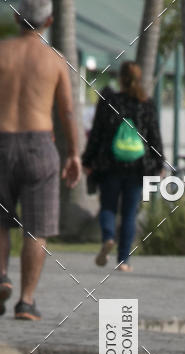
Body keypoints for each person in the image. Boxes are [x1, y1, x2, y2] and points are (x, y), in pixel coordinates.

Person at [0, 0, 81, 321]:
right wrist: (74, 153)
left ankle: (2, 276)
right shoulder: (55, 60)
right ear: (48, 21)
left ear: (18, 17)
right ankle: (26, 302)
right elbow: (68, 112)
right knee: (36, 229)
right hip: (39, 145)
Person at [82, 61, 163, 273]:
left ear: (120, 79)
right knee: (129, 213)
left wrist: (87, 160)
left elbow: (97, 133)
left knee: (108, 206)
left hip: (110, 164)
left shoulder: (109, 101)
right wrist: (159, 162)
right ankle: (124, 260)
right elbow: (154, 135)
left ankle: (108, 237)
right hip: (137, 166)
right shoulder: (146, 103)